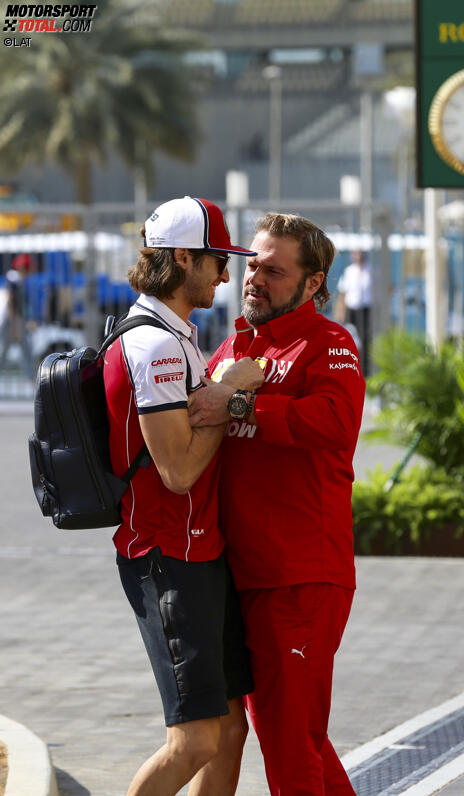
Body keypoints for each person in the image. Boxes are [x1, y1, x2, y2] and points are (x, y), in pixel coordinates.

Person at [189, 212, 366, 795]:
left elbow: (336, 423)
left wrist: (237, 406)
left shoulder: (331, 343)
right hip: (240, 577)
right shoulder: (235, 345)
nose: (254, 279)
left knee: (290, 748)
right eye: (251, 265)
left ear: (313, 283)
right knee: (297, 740)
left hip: (300, 578)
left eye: (273, 270)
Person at [103, 196, 265, 796]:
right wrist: (227, 391)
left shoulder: (176, 336)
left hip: (200, 551)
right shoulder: (155, 346)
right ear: (181, 258)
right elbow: (177, 471)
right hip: (168, 555)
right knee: (195, 740)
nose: (227, 275)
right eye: (217, 259)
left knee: (228, 729)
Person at [335, 249, 372, 375]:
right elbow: (342, 293)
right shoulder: (349, 271)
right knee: (350, 339)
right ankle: (350, 367)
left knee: (366, 340)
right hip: (352, 310)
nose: (358, 256)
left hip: (367, 310)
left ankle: (365, 370)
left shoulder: (372, 270)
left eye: (360, 253)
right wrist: (340, 312)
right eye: (356, 253)